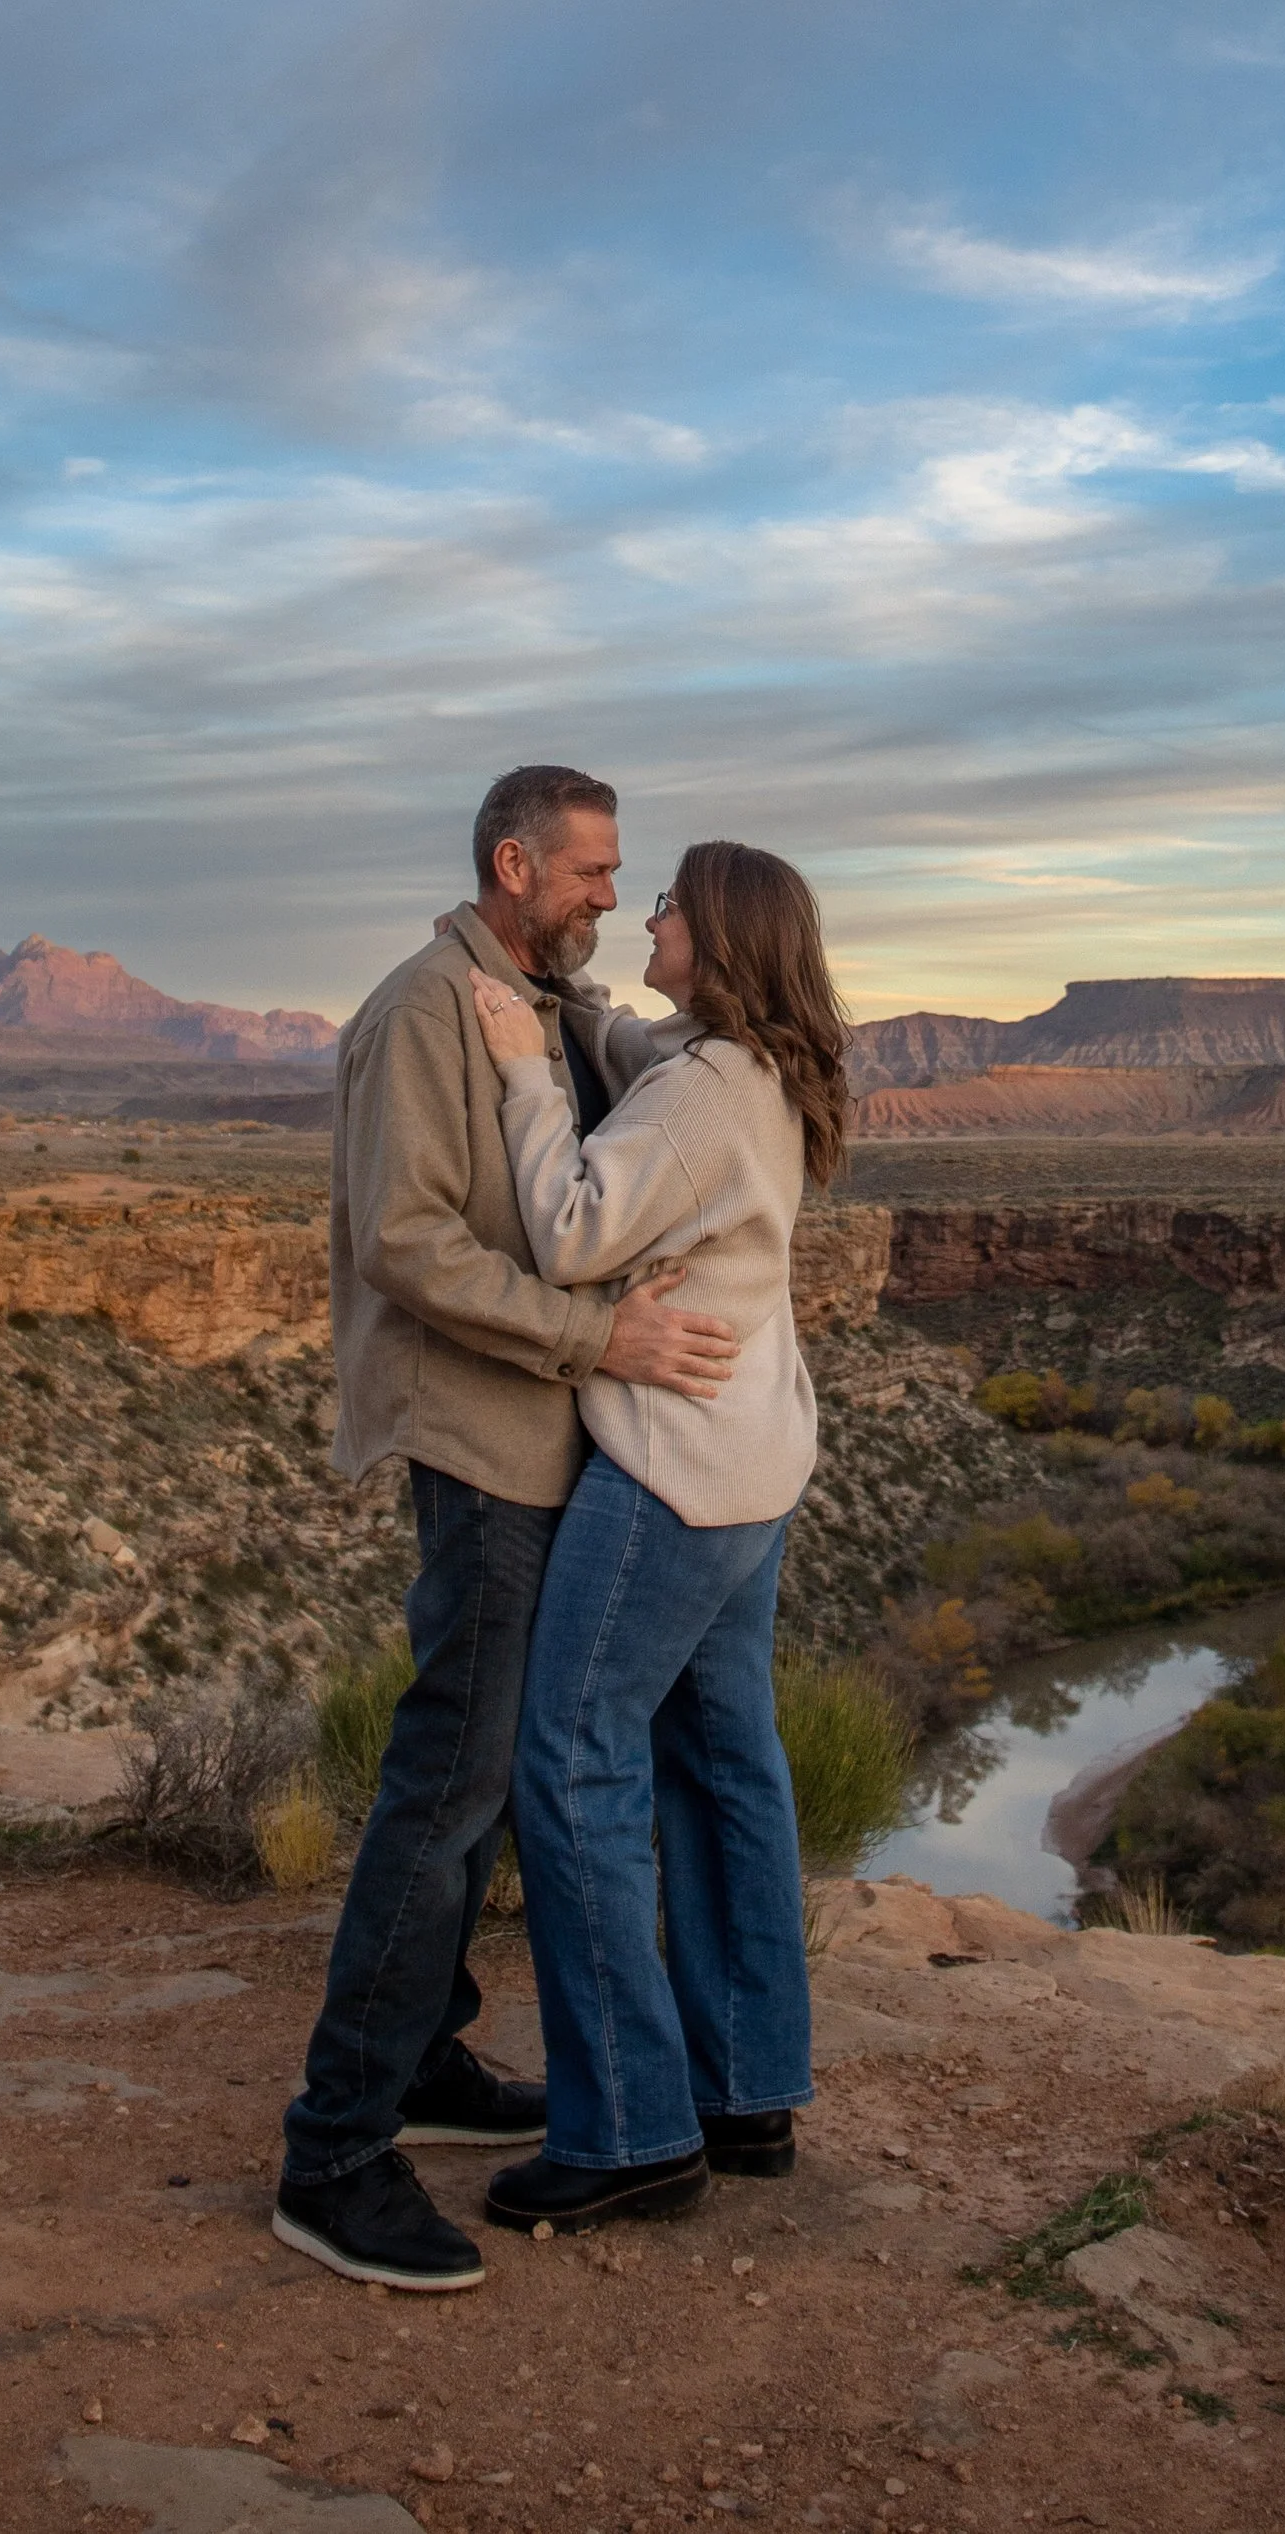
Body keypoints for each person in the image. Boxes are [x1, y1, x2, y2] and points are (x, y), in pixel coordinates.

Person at [273, 766, 742, 2293]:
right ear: (512, 862)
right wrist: (591, 1336)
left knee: (483, 1786)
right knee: (449, 1783)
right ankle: (334, 2149)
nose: (613, 894)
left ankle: (423, 2056)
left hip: (544, 1444)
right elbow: (407, 1244)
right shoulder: (426, 1011)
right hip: (482, 1446)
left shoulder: (536, 1001)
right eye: (593, 872)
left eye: (621, 877)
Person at [463, 837, 851, 2232]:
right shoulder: (759, 1071)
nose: (651, 913)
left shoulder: (697, 1095)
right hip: (760, 1467)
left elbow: (571, 1225)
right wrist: (579, 1017)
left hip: (672, 1477)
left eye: (673, 902)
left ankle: (628, 2126)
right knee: (726, 1757)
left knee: (571, 1757)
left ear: (723, 938)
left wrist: (520, 1066)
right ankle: (746, 2088)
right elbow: (651, 1053)